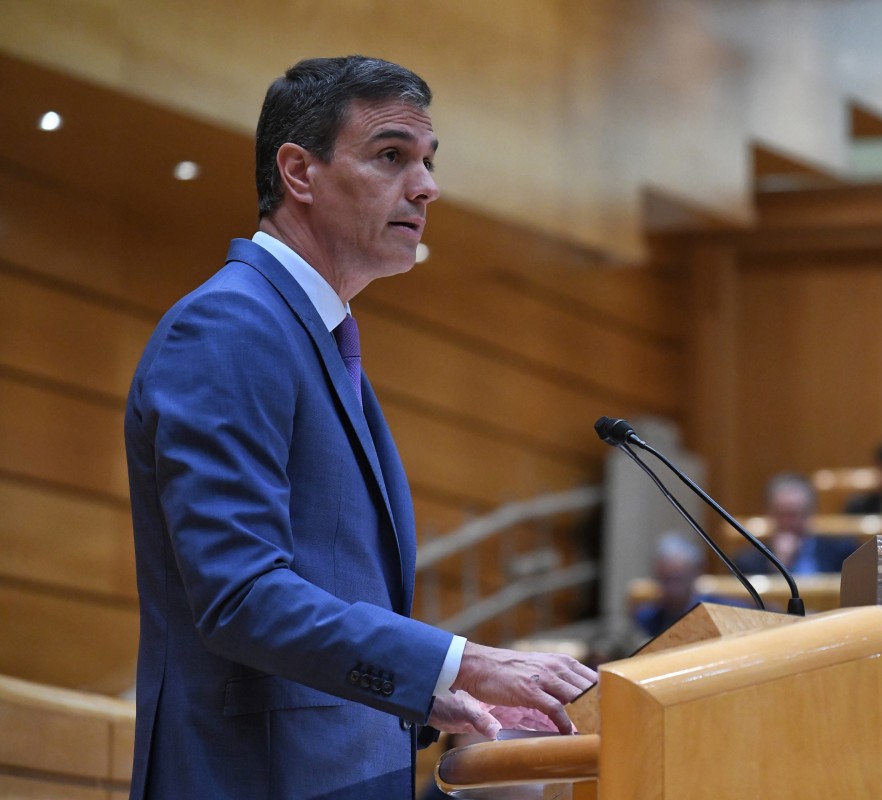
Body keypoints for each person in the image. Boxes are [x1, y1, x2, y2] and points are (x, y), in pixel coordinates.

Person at [124, 56, 597, 800]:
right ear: (299, 172)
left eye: (428, 161)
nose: (426, 186)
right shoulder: (230, 325)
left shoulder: (313, 338)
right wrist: (464, 663)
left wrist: (429, 695)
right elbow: (240, 594)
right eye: (391, 156)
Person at [734, 473, 858, 575]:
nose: (788, 522)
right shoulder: (747, 562)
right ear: (769, 513)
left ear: (811, 512)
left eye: (795, 514)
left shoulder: (843, 554)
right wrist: (777, 565)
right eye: (782, 514)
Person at [632, 532, 742, 638]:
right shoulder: (646, 619)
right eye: (664, 580)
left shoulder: (728, 614)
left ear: (697, 572)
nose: (671, 590)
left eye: (677, 580)